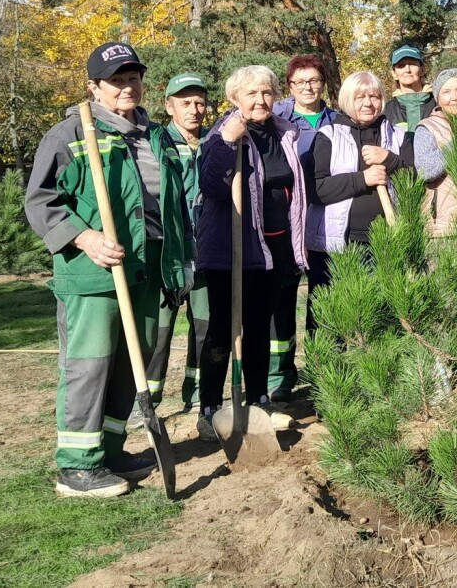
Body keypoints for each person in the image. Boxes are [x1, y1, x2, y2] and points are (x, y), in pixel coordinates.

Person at [24, 42, 193, 498]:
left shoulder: (156, 136)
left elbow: (173, 202)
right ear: (94, 87)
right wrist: (85, 237)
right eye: (116, 80)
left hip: (149, 266)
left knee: (129, 364)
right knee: (90, 363)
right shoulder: (69, 134)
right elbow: (40, 201)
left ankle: (112, 451)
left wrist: (180, 258)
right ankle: (77, 466)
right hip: (95, 268)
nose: (127, 87)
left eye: (133, 77)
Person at [196, 65, 308, 440]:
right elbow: (211, 186)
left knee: (259, 325)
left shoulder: (284, 132)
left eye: (267, 92)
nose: (260, 100)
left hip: (273, 249)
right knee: (222, 329)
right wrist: (228, 142)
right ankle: (209, 407)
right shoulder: (222, 134)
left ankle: (259, 399)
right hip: (230, 248)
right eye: (251, 94)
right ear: (234, 99)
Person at [308, 71, 405, 328]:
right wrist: (363, 179)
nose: (368, 103)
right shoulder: (329, 136)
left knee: (381, 320)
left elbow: (414, 179)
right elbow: (316, 190)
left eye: (374, 96)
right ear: (347, 100)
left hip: (385, 242)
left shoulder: (397, 135)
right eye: (360, 97)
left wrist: (390, 159)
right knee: (331, 323)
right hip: (336, 245)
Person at [141, 72, 211, 417]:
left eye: (199, 103)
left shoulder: (215, 141)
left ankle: (197, 394)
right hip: (168, 254)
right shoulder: (156, 142)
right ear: (169, 107)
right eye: (185, 103)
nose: (193, 110)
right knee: (158, 331)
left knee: (205, 328)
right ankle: (147, 401)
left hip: (206, 253)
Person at [269, 54, 336, 401]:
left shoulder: (338, 121)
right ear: (290, 86)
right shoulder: (277, 119)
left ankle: (322, 373)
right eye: (300, 82)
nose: (308, 87)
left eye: (314, 81)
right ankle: (279, 376)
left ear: (323, 83)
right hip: (285, 223)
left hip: (324, 222)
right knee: (282, 299)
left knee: (322, 300)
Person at [414, 68, 457, 237]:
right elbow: (425, 171)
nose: (454, 97)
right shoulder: (427, 127)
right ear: (438, 99)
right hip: (445, 229)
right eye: (446, 92)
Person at [383, 45, 435, 168]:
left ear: (422, 70)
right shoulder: (385, 111)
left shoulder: (438, 105)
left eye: (412, 64)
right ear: (394, 74)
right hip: (400, 176)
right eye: (401, 66)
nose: (407, 70)